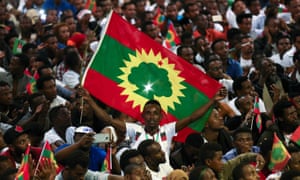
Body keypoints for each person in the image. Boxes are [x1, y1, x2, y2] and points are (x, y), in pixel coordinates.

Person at [79, 87, 226, 158]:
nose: (152, 117)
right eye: (148, 113)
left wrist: (212, 101)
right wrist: (90, 101)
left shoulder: (166, 130)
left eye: (156, 114)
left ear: (161, 117)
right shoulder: (113, 131)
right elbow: (100, 128)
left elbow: (192, 117)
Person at [55, 149, 123, 180]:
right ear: (67, 169)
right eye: (78, 174)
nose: (82, 178)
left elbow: (109, 178)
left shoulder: (84, 174)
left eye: (83, 174)